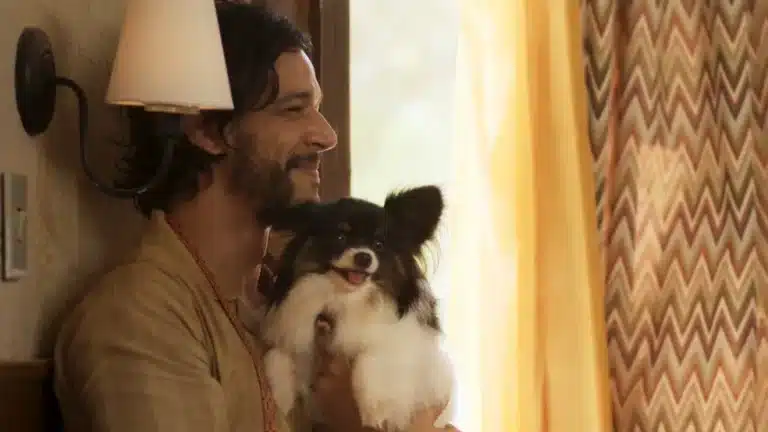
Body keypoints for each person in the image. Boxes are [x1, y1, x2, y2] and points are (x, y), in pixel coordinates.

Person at [53, 2, 459, 432]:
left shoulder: (285, 299)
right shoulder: (142, 315)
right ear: (208, 131)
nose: (326, 135)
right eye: (293, 110)